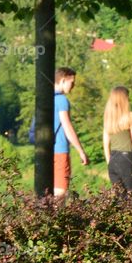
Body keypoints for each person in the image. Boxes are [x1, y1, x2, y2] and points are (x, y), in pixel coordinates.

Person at [103, 86, 132, 192]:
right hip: (127, 159)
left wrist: (109, 163)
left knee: (120, 198)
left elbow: (106, 145)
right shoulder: (129, 116)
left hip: (113, 160)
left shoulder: (108, 119)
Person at [53, 67, 89, 196]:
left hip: (46, 151)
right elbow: (67, 126)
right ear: (63, 80)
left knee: (48, 192)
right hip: (60, 150)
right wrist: (81, 151)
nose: (73, 86)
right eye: (72, 82)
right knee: (60, 193)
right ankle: (58, 216)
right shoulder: (62, 100)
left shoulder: (46, 98)